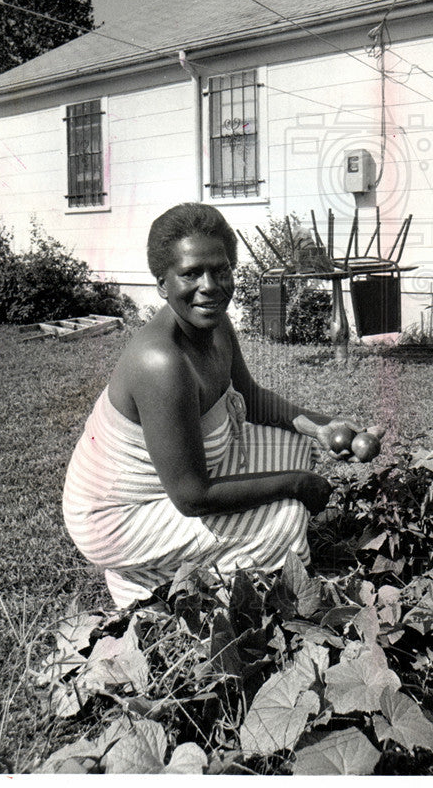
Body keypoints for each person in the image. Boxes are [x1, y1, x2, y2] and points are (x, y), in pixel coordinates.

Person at [63, 202, 375, 608]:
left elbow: (252, 398)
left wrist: (322, 427)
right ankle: (153, 583)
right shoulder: (160, 362)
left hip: (178, 482)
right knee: (285, 520)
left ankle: (162, 567)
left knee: (296, 443)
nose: (210, 286)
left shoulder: (216, 324)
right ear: (162, 283)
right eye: (191, 273)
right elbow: (193, 497)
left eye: (221, 270)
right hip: (117, 516)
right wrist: (297, 485)